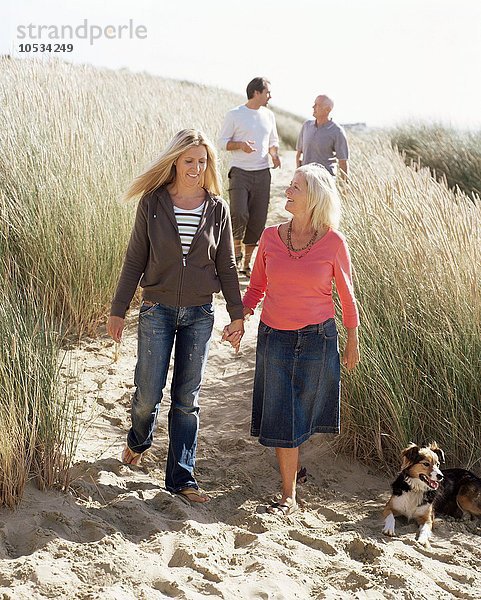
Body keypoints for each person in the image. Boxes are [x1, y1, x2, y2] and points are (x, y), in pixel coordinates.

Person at [108, 129, 244, 504]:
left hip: (200, 312)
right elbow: (135, 258)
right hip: (157, 309)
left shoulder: (217, 208)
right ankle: (139, 439)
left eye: (203, 162)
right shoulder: (152, 203)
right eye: (190, 161)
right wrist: (118, 310)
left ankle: (182, 479)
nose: (197, 168)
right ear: (175, 162)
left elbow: (227, 264)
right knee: (148, 394)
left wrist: (237, 314)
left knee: (187, 397)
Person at [224, 163, 359, 515]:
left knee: (303, 415)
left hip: (318, 338)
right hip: (275, 337)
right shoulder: (270, 237)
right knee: (284, 415)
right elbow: (256, 288)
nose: (287, 190)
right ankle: (289, 494)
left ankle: (294, 466)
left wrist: (352, 339)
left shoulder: (333, 242)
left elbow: (346, 296)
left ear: (312, 196)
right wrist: (240, 318)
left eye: (295, 187)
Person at [218, 77, 281, 277]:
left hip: (263, 172)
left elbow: (273, 141)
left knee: (257, 219)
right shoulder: (235, 114)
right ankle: (235, 255)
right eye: (267, 92)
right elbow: (222, 142)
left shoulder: (269, 116)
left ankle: (246, 264)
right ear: (256, 92)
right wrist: (241, 146)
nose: (270, 96)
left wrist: (275, 155)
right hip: (240, 171)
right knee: (239, 214)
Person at [296, 95, 349, 178]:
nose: (313, 107)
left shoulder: (337, 131)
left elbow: (342, 161)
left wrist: (345, 185)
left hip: (325, 180)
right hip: (305, 178)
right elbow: (299, 153)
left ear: (327, 110)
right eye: (314, 104)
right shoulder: (306, 125)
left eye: (317, 105)